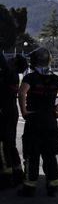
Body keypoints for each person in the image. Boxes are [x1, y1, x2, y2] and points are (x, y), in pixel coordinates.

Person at [17, 48, 58, 197]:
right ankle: (52, 186)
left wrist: (24, 111)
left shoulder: (30, 78)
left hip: (34, 120)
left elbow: (22, 93)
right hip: (50, 121)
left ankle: (29, 187)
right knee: (49, 155)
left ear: (34, 61)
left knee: (32, 155)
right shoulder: (55, 79)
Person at [0, 55, 28, 189]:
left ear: (16, 65)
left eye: (13, 59)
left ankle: (6, 176)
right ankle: (18, 174)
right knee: (10, 144)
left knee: (2, 145)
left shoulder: (9, 73)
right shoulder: (13, 75)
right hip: (11, 111)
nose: (10, 59)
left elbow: (3, 63)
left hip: (5, 112)